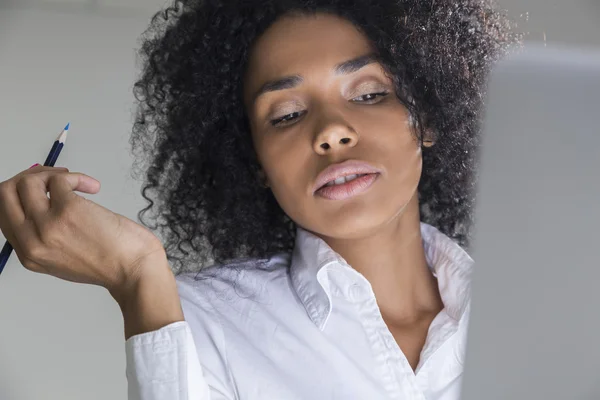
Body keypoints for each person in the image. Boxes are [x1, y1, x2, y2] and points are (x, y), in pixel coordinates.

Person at [0, 0, 522, 399]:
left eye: (368, 94)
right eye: (287, 115)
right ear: (255, 163)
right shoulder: (191, 320)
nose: (333, 132)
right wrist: (138, 277)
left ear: (427, 117)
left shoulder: (530, 318)